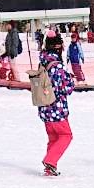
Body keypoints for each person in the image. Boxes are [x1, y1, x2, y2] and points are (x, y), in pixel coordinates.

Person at [33, 33, 75, 177]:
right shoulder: (56, 66)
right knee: (66, 135)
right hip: (56, 109)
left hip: (44, 107)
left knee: (54, 138)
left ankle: (50, 167)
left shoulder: (43, 62)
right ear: (58, 47)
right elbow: (66, 88)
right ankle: (50, 161)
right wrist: (70, 80)